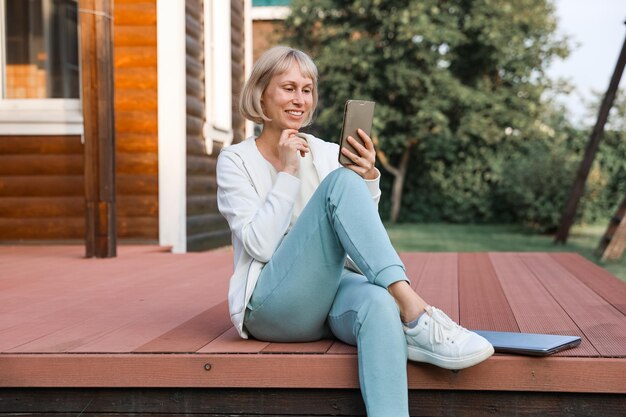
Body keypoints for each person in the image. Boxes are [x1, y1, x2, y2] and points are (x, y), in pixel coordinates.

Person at [216, 45, 494, 417]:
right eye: (288, 88)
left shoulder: (327, 151)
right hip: (272, 307)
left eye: (307, 89)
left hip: (329, 293)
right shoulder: (235, 161)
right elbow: (259, 247)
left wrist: (368, 181)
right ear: (261, 92)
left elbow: (360, 236)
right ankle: (416, 312)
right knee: (339, 184)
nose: (300, 99)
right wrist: (286, 173)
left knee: (379, 302)